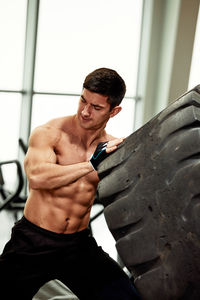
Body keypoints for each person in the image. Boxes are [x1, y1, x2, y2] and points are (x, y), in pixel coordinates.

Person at [0, 68, 139, 299]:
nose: (85, 112)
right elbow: (38, 177)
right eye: (83, 100)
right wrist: (90, 165)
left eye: (96, 107)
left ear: (114, 111)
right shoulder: (49, 133)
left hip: (78, 245)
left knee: (125, 297)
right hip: (32, 242)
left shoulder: (114, 148)